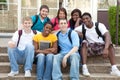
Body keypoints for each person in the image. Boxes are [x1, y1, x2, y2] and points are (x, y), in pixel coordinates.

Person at [75, 12, 120, 77]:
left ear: (91, 18)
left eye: (87, 18)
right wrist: (77, 32)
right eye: (83, 19)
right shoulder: (82, 27)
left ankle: (114, 69)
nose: (85, 20)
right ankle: (84, 68)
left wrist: (106, 48)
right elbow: (73, 30)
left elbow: (107, 35)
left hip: (101, 46)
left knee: (110, 44)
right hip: (90, 47)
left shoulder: (99, 25)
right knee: (84, 43)